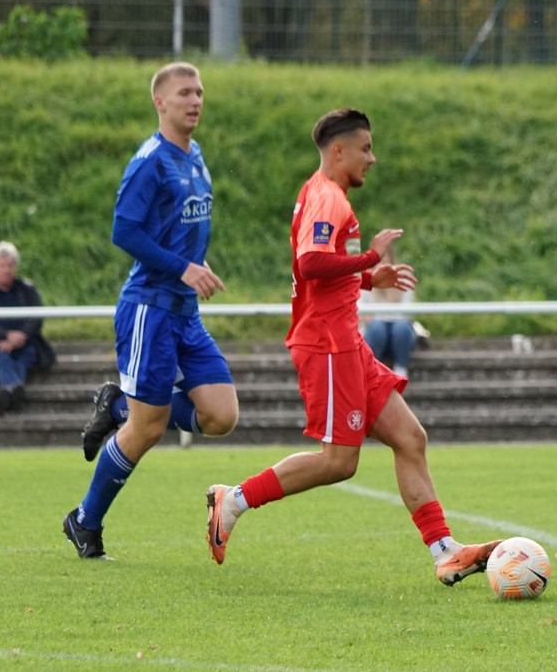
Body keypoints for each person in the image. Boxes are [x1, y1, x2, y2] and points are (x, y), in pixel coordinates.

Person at [204, 108, 499, 586]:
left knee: (410, 438)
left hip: (347, 342)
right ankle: (233, 500)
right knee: (339, 462)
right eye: (365, 148)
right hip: (328, 344)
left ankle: (445, 551)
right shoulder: (328, 198)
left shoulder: (323, 194)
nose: (372, 158)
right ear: (338, 151)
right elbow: (311, 263)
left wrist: (366, 278)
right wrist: (371, 256)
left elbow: (322, 270)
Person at [63, 62, 239, 560]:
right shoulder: (150, 161)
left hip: (184, 312)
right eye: (184, 93)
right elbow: (124, 231)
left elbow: (178, 226)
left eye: (199, 92)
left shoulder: (194, 155)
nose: (195, 100)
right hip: (149, 310)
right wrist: (183, 267)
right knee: (149, 429)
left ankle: (120, 404)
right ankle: (84, 521)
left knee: (221, 415)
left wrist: (196, 263)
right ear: (160, 102)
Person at [0, 241, 56, 416]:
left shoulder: (28, 289)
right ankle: (14, 387)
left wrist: (20, 337)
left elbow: (36, 319)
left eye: (10, 265)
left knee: (25, 355)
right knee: (0, 356)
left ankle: (7, 390)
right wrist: (5, 336)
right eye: (2, 266)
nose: (6, 270)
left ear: (15, 267)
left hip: (25, 343)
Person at [360, 245, 417, 378]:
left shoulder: (402, 278)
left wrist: (379, 315)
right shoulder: (365, 279)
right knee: (377, 328)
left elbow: (408, 311)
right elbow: (363, 311)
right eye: (379, 261)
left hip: (399, 333)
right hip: (375, 333)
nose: (383, 265)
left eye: (386, 261)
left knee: (401, 327)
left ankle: (401, 368)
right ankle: (374, 370)